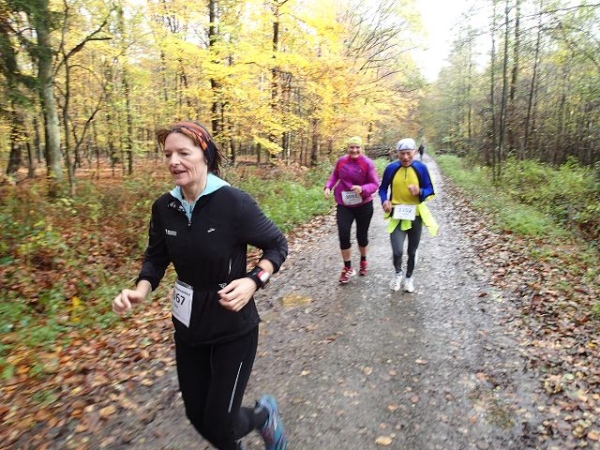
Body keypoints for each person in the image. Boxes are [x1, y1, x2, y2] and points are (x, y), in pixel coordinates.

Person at [112, 120, 289, 450]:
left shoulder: (233, 202)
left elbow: (277, 245)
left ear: (204, 154)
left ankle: (264, 415)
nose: (173, 161)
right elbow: (156, 259)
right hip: (189, 325)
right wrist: (140, 290)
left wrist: (253, 281)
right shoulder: (164, 207)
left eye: (183, 153)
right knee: (197, 416)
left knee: (221, 423)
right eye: (168, 154)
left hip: (233, 326)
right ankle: (253, 424)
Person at [378, 138, 438, 293]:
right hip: (397, 214)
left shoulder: (421, 168)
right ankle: (398, 273)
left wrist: (420, 191)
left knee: (412, 251)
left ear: (415, 152)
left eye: (408, 153)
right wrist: (384, 201)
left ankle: (409, 278)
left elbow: (430, 190)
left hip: (415, 215)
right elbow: (382, 189)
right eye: (402, 154)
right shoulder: (391, 168)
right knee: (397, 250)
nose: (405, 157)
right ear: (397, 153)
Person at [324, 136, 380, 283]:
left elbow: (375, 184)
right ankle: (347, 267)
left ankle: (363, 260)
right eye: (351, 147)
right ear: (347, 148)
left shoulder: (367, 163)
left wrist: (362, 189)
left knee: (362, 235)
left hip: (363, 205)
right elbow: (334, 176)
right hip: (344, 204)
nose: (354, 150)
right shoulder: (341, 161)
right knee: (343, 234)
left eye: (357, 147)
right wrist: (328, 187)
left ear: (361, 148)